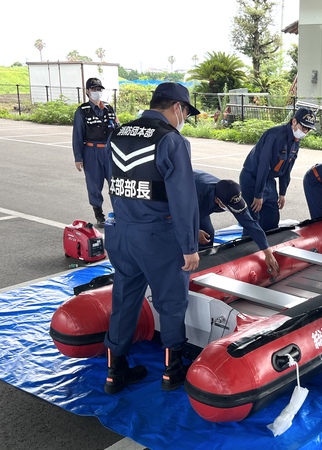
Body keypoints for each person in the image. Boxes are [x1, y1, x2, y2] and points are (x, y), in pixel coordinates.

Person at [103, 82, 201, 394]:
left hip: (121, 232)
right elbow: (183, 199)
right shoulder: (171, 140)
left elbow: (110, 180)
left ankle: (114, 373)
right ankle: (172, 372)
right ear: (177, 107)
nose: (184, 119)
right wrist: (189, 246)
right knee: (171, 302)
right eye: (186, 113)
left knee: (124, 299)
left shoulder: (117, 133)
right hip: (157, 235)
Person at [239, 108, 316, 233]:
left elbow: (287, 169)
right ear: (294, 122)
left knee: (272, 218)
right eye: (304, 128)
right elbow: (263, 166)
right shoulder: (275, 136)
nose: (305, 132)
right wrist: (258, 194)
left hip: (269, 180)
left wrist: (282, 193)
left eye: (308, 129)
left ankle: (268, 244)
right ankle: (249, 244)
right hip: (253, 179)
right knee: (253, 221)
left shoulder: (295, 141)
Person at [192, 169, 280, 274]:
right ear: (217, 201)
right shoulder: (195, 196)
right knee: (188, 236)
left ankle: (202, 267)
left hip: (201, 203)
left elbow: (250, 224)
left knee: (208, 234)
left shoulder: (229, 194)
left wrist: (267, 251)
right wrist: (195, 232)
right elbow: (178, 219)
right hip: (182, 201)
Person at [72, 78, 119, 227]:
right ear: (87, 91)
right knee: (94, 184)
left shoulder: (109, 108)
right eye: (94, 89)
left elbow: (117, 128)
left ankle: (119, 213)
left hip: (109, 151)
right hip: (92, 151)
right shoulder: (82, 111)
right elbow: (77, 135)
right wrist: (78, 157)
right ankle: (99, 215)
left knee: (116, 183)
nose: (97, 92)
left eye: (99, 89)